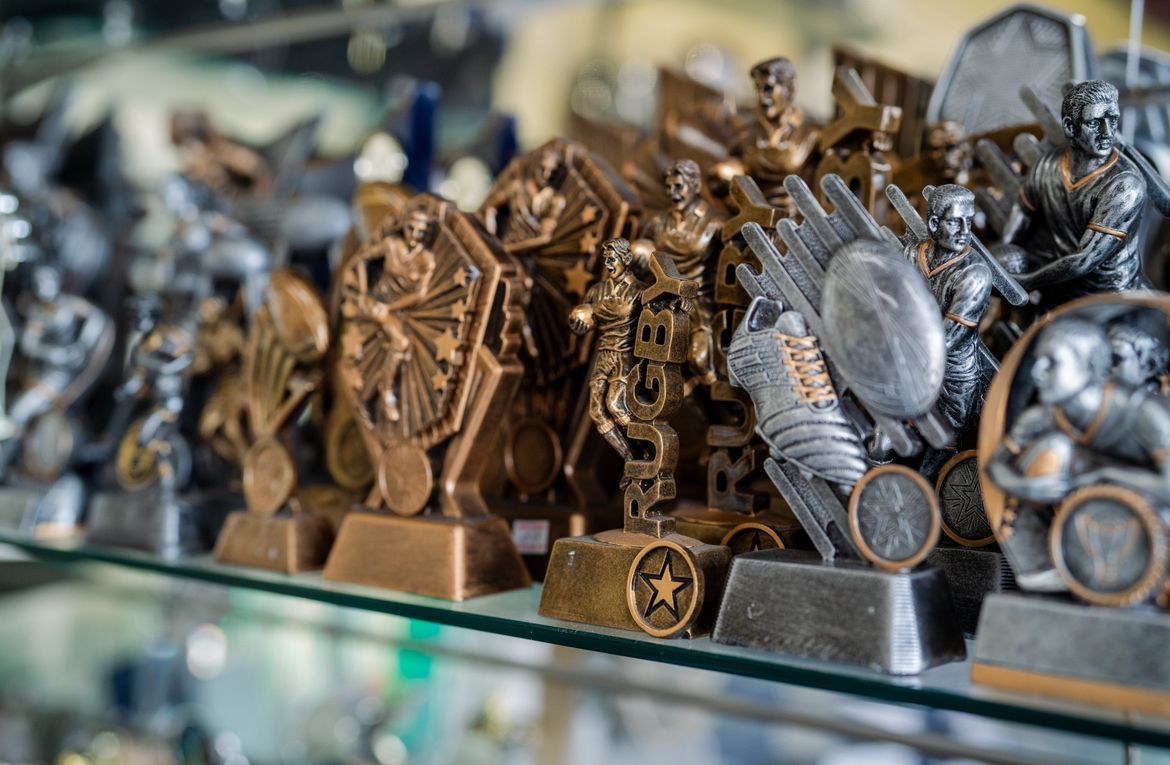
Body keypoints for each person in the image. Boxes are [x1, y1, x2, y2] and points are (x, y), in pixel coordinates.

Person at [1006, 80, 1149, 306]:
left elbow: (1085, 260)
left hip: (1106, 296)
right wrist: (1001, 254)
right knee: (1007, 259)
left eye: (1113, 120)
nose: (1107, 132)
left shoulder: (1125, 185)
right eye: (1095, 122)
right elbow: (1023, 208)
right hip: (1056, 283)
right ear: (1070, 127)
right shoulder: (1047, 166)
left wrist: (1024, 283)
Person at [909, 185, 992, 442]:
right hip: (909, 365)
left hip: (952, 379)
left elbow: (947, 339)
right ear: (934, 223)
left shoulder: (975, 274)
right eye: (956, 223)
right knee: (883, 442)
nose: (965, 233)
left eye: (969, 222)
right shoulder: (910, 254)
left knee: (942, 448)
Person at [634, 159, 720, 385]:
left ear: (696, 186)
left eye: (679, 187)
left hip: (699, 305)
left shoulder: (716, 222)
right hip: (663, 305)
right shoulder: (658, 223)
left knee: (699, 361)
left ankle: (723, 407)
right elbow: (642, 253)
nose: (673, 194)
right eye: (669, 188)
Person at [568, 238, 642, 460]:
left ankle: (649, 445)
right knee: (596, 411)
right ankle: (630, 458)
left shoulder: (640, 291)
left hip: (625, 356)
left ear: (627, 259)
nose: (608, 262)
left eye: (613, 258)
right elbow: (586, 321)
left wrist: (679, 302)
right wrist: (577, 325)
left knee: (615, 405)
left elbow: (663, 313)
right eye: (606, 258)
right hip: (603, 355)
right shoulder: (596, 291)